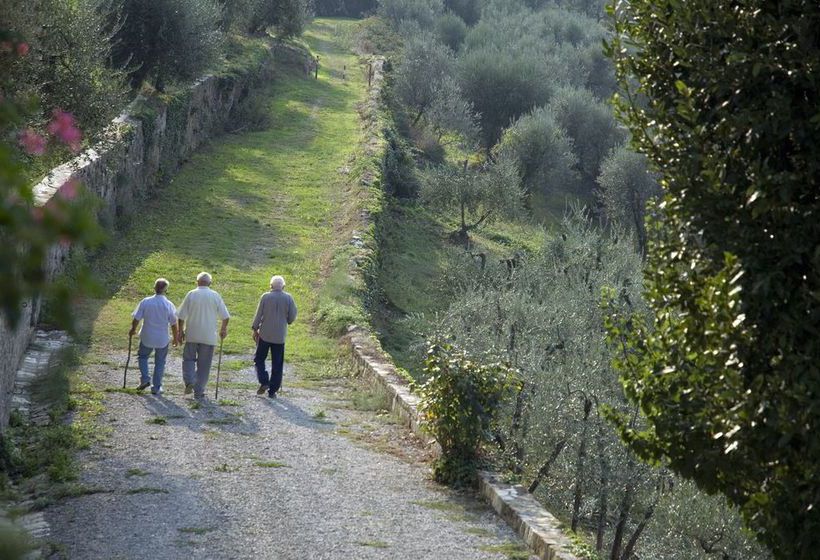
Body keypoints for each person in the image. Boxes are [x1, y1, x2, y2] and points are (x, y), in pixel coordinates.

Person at [177, 272, 230, 399]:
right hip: (209, 336)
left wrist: (180, 331)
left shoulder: (191, 294)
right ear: (210, 283)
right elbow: (225, 316)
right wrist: (223, 329)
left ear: (197, 282)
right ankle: (199, 391)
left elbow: (181, 316)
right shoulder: (215, 295)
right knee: (204, 365)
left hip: (192, 334)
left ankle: (189, 380)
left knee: (188, 359)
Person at [129, 278, 178, 395]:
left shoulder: (146, 301)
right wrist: (176, 337)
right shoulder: (168, 304)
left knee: (143, 356)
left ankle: (145, 378)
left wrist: (133, 329)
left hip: (147, 336)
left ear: (154, 288)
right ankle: (156, 387)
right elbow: (174, 324)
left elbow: (136, 318)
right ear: (166, 290)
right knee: (160, 362)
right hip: (162, 338)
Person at [251, 275, 297, 398]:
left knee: (259, 359)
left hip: (265, 334)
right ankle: (273, 390)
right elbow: (292, 316)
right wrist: (288, 320)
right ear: (283, 286)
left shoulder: (265, 297)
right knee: (277, 363)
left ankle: (264, 381)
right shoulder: (288, 298)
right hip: (279, 335)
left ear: (271, 286)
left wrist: (255, 328)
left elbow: (258, 314)